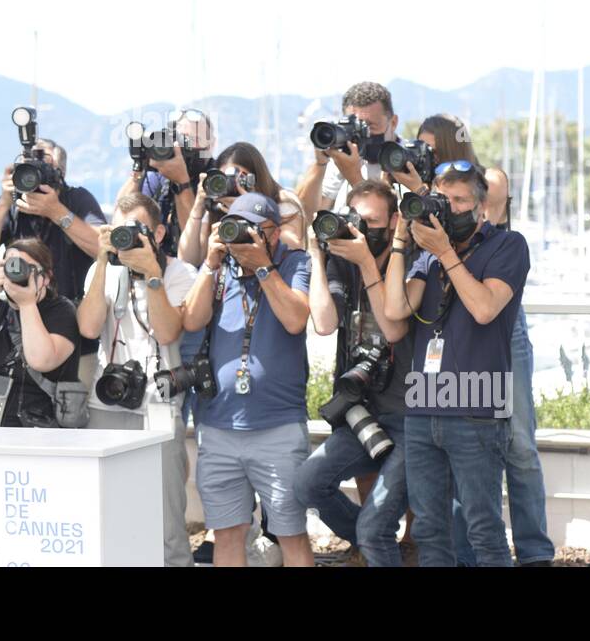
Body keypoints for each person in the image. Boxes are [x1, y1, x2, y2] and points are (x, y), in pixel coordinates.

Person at [383, 162, 530, 567]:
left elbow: (484, 308)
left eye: (459, 200)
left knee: (481, 526)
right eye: (442, 199)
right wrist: (400, 241)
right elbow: (396, 309)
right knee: (429, 528)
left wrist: (446, 252)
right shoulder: (427, 258)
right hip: (423, 405)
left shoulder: (508, 245)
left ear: (481, 208)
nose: (449, 208)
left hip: (477, 409)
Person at [181, 192, 315, 567]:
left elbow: (295, 319)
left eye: (257, 230)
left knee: (291, 534)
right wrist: (209, 264)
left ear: (273, 233)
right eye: (237, 227)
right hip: (219, 425)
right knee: (226, 534)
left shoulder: (294, 262)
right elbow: (191, 321)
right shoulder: (220, 268)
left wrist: (262, 268)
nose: (245, 237)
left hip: (277, 427)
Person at [77, 192, 198, 566]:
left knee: (167, 525)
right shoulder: (104, 271)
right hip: (107, 400)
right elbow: (88, 325)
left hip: (159, 407)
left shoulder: (180, 274)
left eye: (137, 230)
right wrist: (101, 258)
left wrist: (152, 275)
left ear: (159, 232)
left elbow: (166, 333)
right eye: (119, 230)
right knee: (105, 514)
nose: (126, 239)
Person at [295, 180, 412, 565]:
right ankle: (377, 544)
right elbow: (325, 324)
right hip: (361, 412)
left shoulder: (410, 262)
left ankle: (379, 542)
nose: (361, 231)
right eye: (354, 221)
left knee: (380, 526)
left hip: (411, 416)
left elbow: (395, 326)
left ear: (395, 221)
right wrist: (317, 254)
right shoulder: (342, 264)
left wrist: (368, 261)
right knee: (308, 484)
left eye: (371, 222)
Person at [449, 166, 554, 566]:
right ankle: (468, 554)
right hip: (452, 334)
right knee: (461, 450)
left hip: (503, 329)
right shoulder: (433, 194)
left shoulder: (486, 181)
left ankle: (535, 554)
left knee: (520, 446)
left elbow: (492, 215)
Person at [0, 138, 106, 304]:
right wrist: (4, 203)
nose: (35, 173)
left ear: (61, 171)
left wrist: (58, 213)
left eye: (43, 164)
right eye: (29, 166)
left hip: (70, 308)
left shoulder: (76, 198)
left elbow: (102, 248)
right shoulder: (13, 202)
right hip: (21, 308)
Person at [0, 240, 84, 428]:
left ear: (46, 277)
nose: (17, 271)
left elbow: (41, 360)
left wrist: (27, 304)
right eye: (10, 264)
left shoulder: (61, 311)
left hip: (38, 428)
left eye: (27, 267)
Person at [177, 141, 307, 266]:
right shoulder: (218, 204)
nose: (232, 185)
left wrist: (249, 211)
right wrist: (198, 207)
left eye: (240, 179)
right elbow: (188, 260)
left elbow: (293, 246)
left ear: (256, 178)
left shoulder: (283, 200)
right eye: (224, 180)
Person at [118, 108, 216, 258]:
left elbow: (196, 249)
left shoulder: (216, 180)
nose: (182, 146)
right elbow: (121, 217)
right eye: (180, 138)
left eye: (192, 140)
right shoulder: (157, 176)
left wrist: (181, 182)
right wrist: (139, 167)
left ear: (211, 145)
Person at [298, 81, 400, 212]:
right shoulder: (342, 159)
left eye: (370, 126)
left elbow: (391, 223)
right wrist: (320, 164)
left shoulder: (409, 159)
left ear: (393, 122)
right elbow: (307, 214)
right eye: (355, 126)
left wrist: (354, 177)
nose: (363, 134)